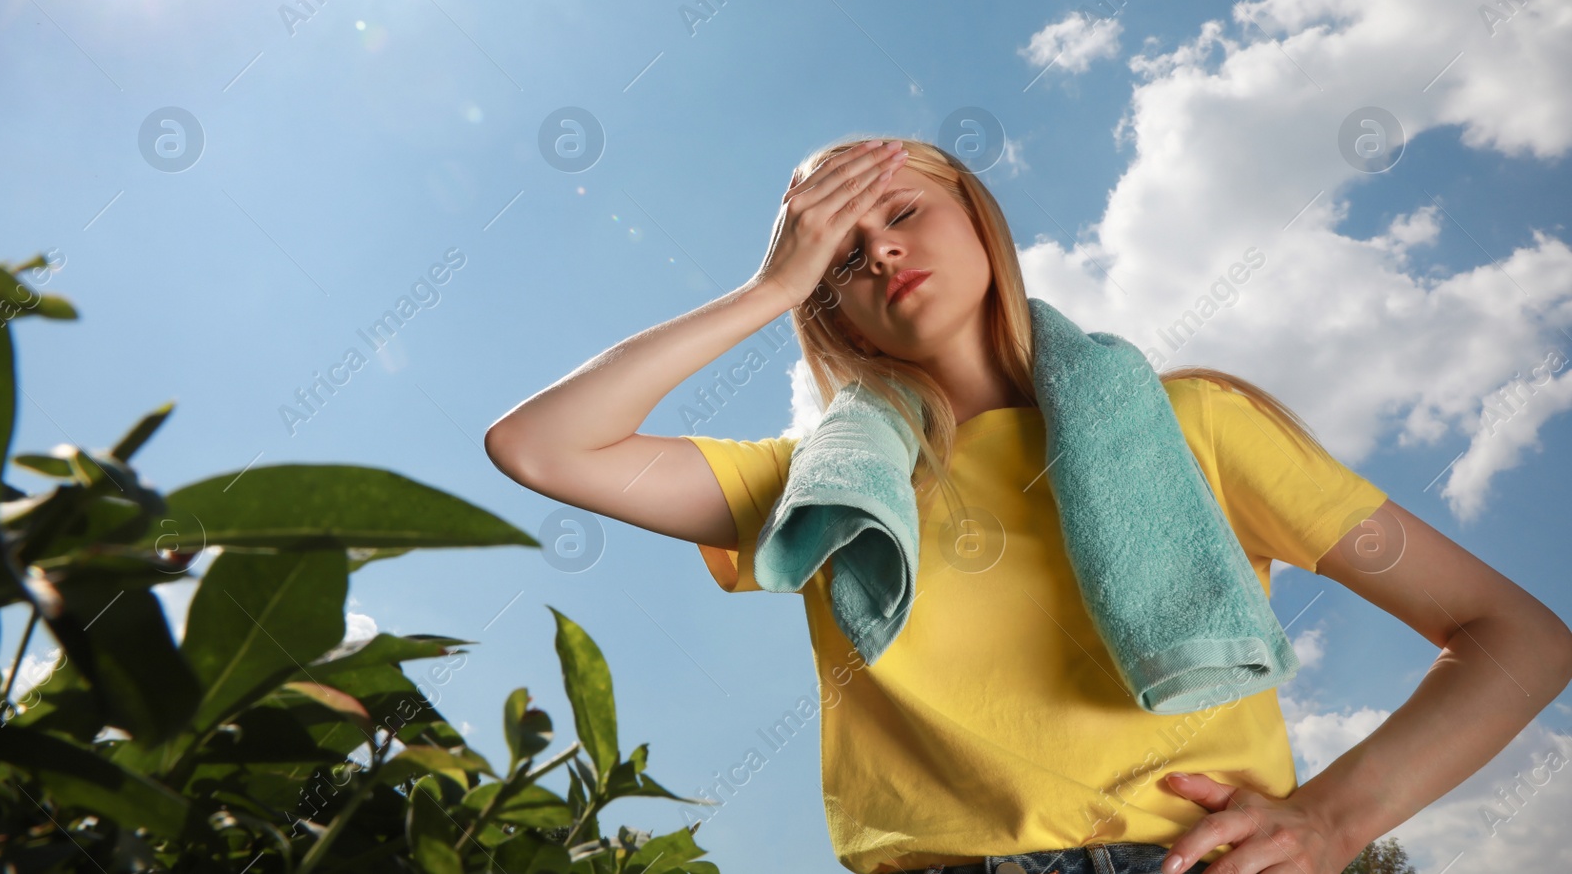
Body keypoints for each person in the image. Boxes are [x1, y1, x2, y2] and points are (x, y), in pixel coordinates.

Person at [483, 137, 1572, 874]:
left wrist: (1336, 816)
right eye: (839, 257)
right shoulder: (815, 495)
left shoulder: (1195, 425)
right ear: (832, 310)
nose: (880, 248)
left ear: (978, 218)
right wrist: (769, 287)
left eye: (902, 211)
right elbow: (539, 445)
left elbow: (1516, 637)